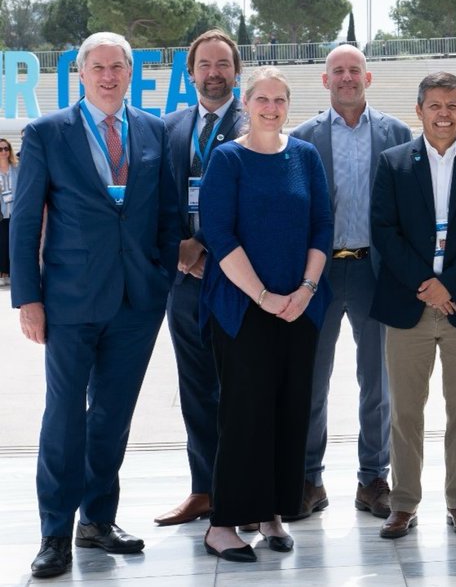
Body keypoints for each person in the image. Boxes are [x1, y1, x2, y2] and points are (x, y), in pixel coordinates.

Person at [11, 32, 180, 579]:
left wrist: (159, 278)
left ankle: (97, 522)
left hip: (136, 302)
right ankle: (55, 532)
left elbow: (166, 215)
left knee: (111, 416)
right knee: (64, 417)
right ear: (79, 75)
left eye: (117, 67)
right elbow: (26, 220)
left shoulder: (155, 131)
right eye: (97, 67)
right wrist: (28, 299)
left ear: (131, 74)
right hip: (68, 303)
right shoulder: (45, 133)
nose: (108, 76)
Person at [197, 67, 333, 562]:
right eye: (262, 99)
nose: (271, 108)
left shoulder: (305, 156)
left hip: (301, 306)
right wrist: (263, 297)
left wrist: (305, 288)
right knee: (245, 414)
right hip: (242, 307)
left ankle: (273, 512)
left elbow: (322, 225)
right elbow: (219, 233)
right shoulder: (228, 159)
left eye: (279, 100)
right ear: (246, 103)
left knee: (290, 410)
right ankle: (223, 523)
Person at [371, 72, 456, 539]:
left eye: (452, 105)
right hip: (409, 304)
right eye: (434, 105)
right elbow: (384, 230)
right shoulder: (392, 163)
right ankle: (403, 504)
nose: (443, 113)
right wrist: (426, 284)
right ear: (419, 111)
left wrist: (449, 286)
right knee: (406, 410)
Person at [289, 44, 413, 521]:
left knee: (377, 382)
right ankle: (308, 478)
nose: (346, 77)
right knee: (310, 379)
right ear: (325, 81)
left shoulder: (396, 133)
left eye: (354, 70)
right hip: (316, 275)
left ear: (369, 78)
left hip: (373, 272)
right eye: (337, 71)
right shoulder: (301, 138)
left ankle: (373, 478)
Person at [156, 29, 248, 529]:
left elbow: (261, 206)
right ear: (190, 73)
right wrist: (180, 250)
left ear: (237, 71)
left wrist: (210, 250)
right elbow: (156, 199)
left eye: (222, 64)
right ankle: (204, 489)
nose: (213, 73)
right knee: (195, 388)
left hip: (238, 280)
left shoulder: (256, 122)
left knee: (241, 389)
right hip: (184, 282)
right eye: (204, 65)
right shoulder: (169, 126)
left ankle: (246, 493)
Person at [0, 137, 17, 287]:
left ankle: (13, 273)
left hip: (17, 210)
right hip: (2, 212)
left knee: (15, 242)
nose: (4, 152)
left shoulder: (17, 167)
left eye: (6, 148)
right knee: (2, 243)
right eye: (0, 149)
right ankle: (2, 273)